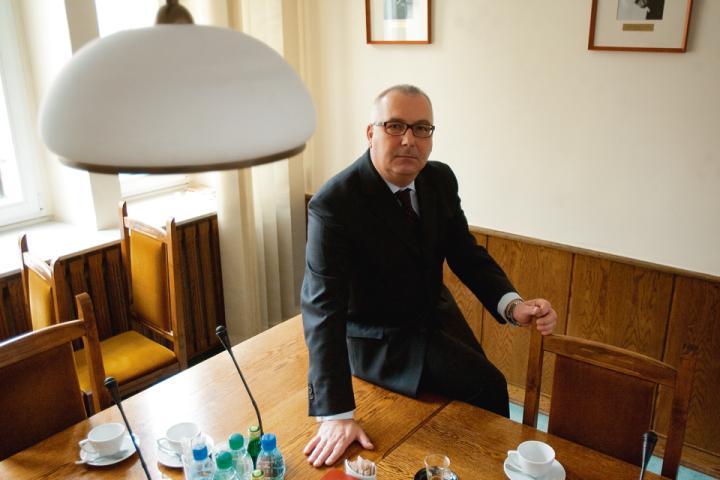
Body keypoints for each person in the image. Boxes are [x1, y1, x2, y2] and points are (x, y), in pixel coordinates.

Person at [301, 85, 558, 468]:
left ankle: (490, 467)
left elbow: (466, 253)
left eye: (421, 128)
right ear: (371, 133)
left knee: (487, 384)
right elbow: (322, 309)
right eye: (395, 126)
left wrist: (513, 306)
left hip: (435, 315)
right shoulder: (334, 204)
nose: (409, 140)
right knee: (489, 386)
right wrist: (336, 414)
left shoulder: (439, 179)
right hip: (380, 337)